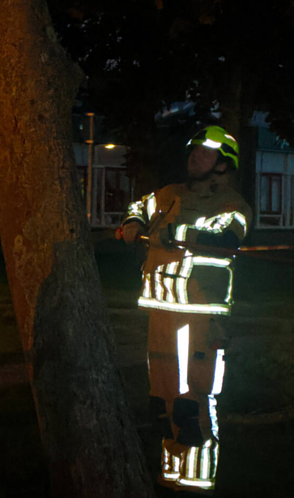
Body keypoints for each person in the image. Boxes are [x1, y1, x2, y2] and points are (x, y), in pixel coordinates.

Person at [120, 126, 252, 495]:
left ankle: (197, 483)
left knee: (191, 405)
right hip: (160, 313)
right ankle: (170, 479)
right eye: (193, 151)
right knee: (162, 404)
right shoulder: (167, 195)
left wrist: (177, 231)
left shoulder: (233, 204)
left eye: (205, 154)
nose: (195, 157)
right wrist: (132, 223)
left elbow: (224, 237)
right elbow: (138, 207)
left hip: (199, 316)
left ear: (223, 165)